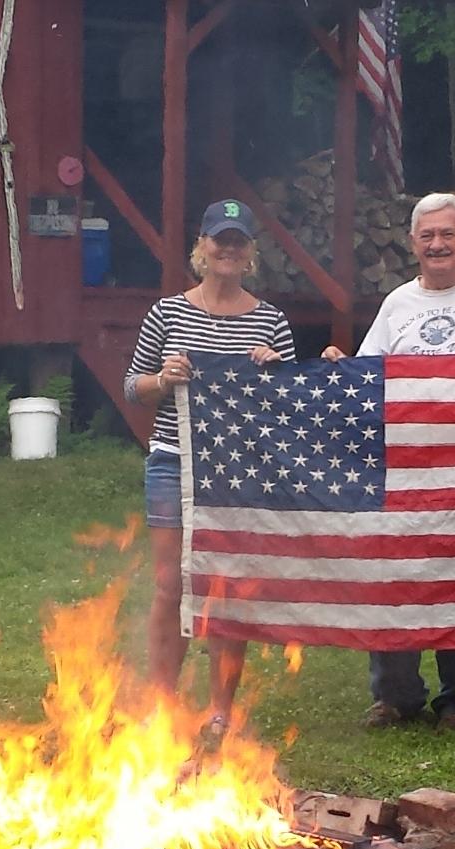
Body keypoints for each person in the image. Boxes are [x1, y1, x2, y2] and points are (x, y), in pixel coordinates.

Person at [323, 191, 455, 731]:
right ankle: (396, 695)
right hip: (403, 468)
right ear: (412, 243)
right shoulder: (397, 303)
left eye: (448, 234)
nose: (438, 244)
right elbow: (367, 377)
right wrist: (339, 368)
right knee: (395, 575)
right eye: (427, 236)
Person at [125, 199, 295, 751]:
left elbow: (291, 408)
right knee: (170, 586)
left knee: (226, 589)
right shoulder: (167, 313)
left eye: (238, 240)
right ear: (200, 246)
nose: (228, 248)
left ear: (251, 253)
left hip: (239, 471)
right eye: (218, 239)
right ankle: (161, 704)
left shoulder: (270, 320)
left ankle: (221, 711)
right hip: (173, 460)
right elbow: (133, 386)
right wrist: (163, 378)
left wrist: (274, 372)